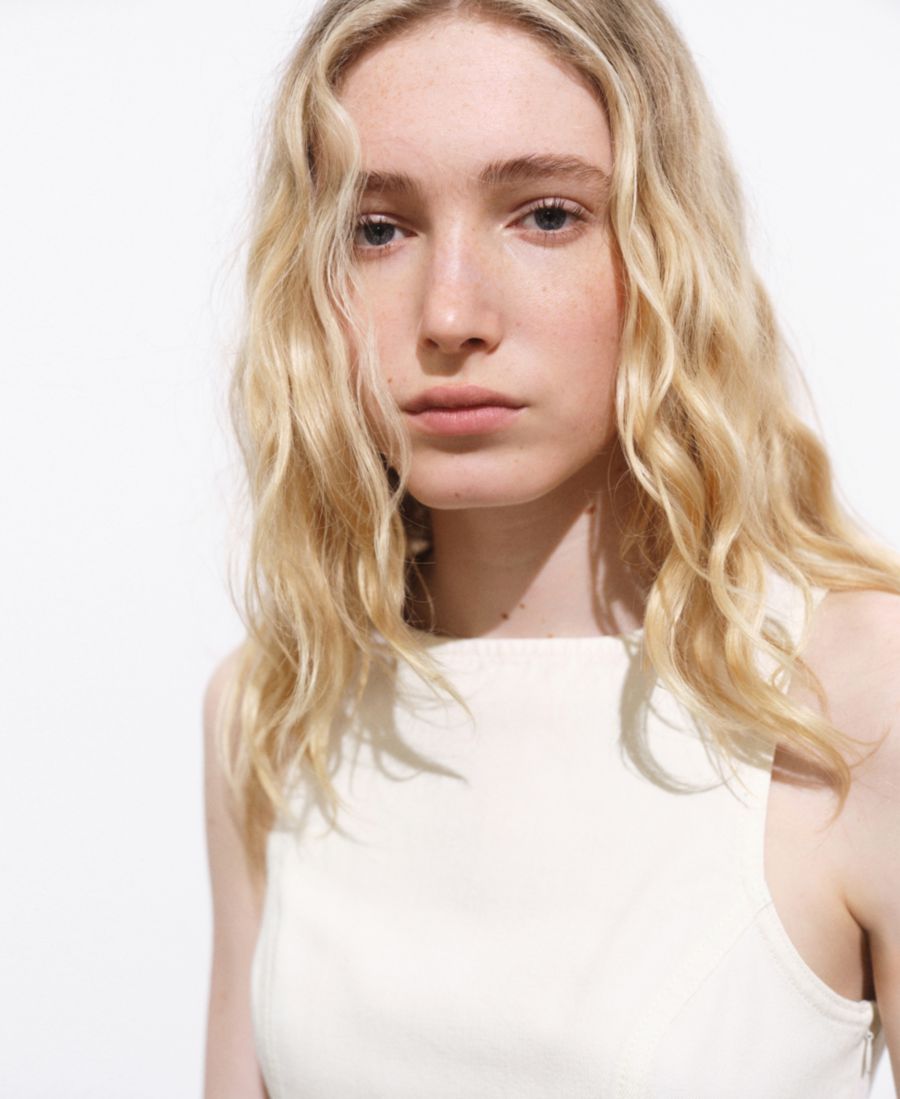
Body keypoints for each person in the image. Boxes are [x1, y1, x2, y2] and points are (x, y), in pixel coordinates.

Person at [202, 0, 900, 1095]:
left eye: (544, 214)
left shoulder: (859, 699)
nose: (449, 314)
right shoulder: (277, 704)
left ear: (668, 247)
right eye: (377, 229)